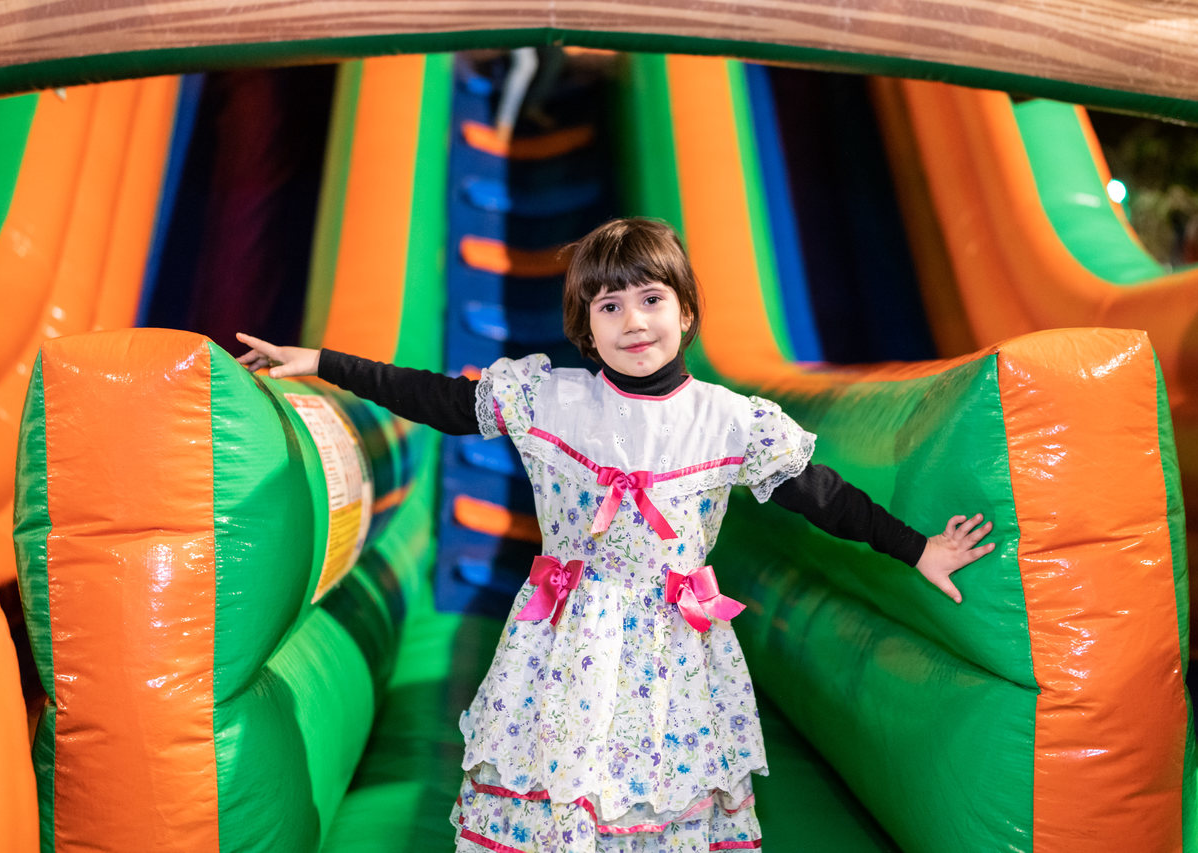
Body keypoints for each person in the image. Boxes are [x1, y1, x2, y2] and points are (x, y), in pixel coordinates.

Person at [237, 217, 994, 851]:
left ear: (686, 311)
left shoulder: (728, 420)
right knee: (559, 788)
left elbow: (822, 496)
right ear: (586, 329)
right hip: (566, 640)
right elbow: (439, 400)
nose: (634, 321)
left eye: (651, 299)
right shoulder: (551, 399)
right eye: (609, 306)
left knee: (658, 795)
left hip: (672, 647)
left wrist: (919, 548)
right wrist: (324, 363)